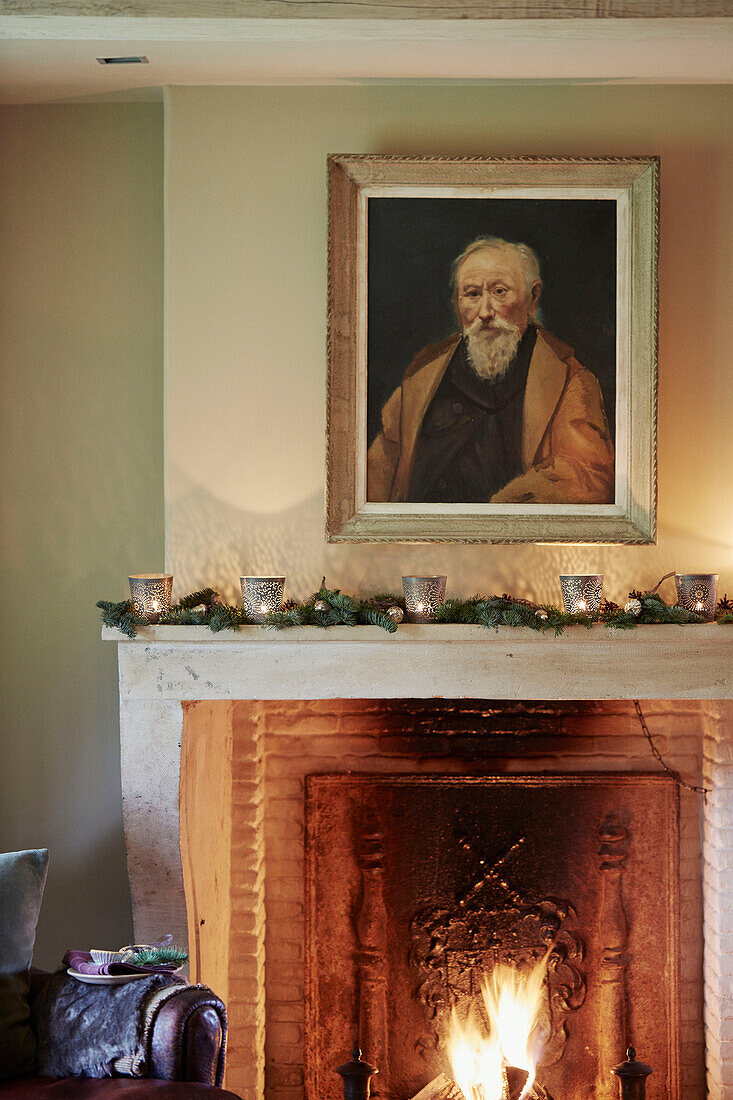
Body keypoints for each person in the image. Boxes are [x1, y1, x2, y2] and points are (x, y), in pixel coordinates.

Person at [366, 236, 615, 505]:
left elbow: (588, 476)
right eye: (472, 294)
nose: (485, 312)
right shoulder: (422, 377)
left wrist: (500, 512)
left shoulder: (569, 380)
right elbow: (379, 471)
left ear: (532, 299)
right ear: (457, 303)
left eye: (499, 292)